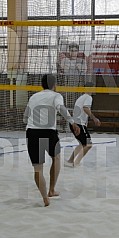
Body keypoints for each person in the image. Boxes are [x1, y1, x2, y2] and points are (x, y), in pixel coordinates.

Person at [23, 74, 80, 207]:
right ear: (55, 85)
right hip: (48, 132)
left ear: (42, 85)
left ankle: (45, 199)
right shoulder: (56, 96)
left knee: (38, 169)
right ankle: (51, 190)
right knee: (57, 158)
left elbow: (25, 117)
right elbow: (60, 108)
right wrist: (72, 122)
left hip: (31, 132)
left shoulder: (33, 97)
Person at [64, 82, 101, 167]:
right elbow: (85, 108)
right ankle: (76, 162)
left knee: (82, 144)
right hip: (79, 125)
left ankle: (70, 161)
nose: (94, 89)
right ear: (89, 88)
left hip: (74, 123)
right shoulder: (88, 97)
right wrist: (94, 118)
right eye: (93, 87)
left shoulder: (81, 97)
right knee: (88, 145)